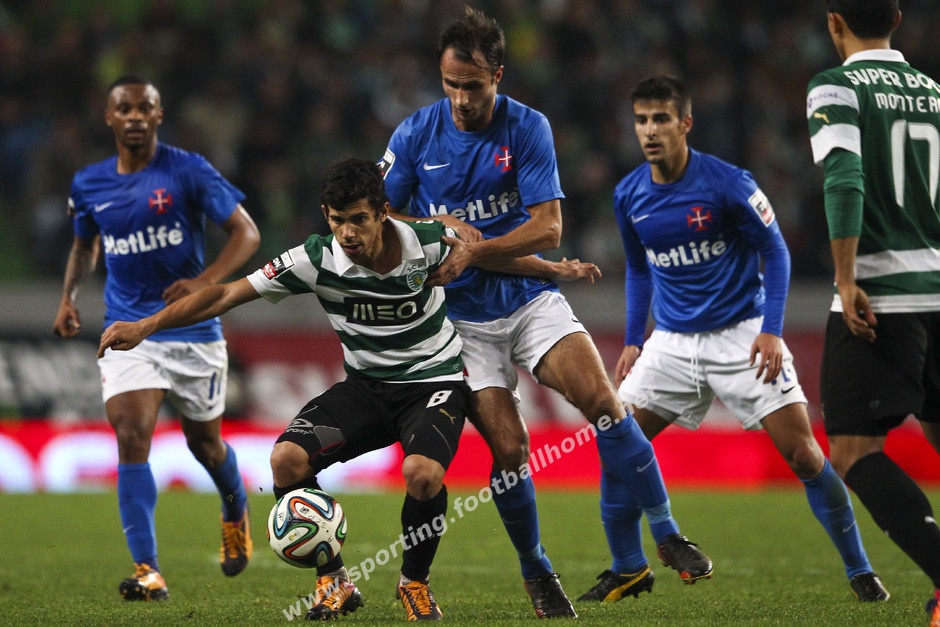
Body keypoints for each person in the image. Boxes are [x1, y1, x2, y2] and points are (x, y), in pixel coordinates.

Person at [378, 8, 712, 617]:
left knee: (604, 402)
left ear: (497, 76)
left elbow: (548, 228)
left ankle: (666, 533)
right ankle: (537, 569)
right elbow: (381, 214)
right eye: (450, 85)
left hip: (528, 300)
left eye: (473, 86)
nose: (460, 100)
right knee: (511, 450)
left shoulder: (527, 127)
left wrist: (474, 249)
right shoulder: (414, 135)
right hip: (460, 322)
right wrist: (434, 223)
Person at [99, 157, 467, 620]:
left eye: (359, 219)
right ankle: (335, 581)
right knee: (286, 460)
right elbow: (225, 294)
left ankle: (414, 582)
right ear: (325, 214)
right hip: (367, 388)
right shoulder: (313, 259)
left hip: (433, 382)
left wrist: (535, 268)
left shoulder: (429, 241)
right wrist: (146, 325)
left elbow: (491, 254)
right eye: (337, 220)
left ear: (382, 212)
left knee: (422, 474)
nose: (347, 233)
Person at [612, 73, 889, 603]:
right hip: (671, 342)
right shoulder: (628, 194)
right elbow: (638, 268)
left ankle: (860, 570)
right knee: (618, 440)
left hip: (740, 335)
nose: (649, 130)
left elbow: (776, 252)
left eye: (661, 119)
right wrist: (631, 338)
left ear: (685, 123)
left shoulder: (729, 183)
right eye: (641, 120)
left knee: (804, 455)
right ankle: (641, 558)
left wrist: (771, 331)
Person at [52, 75, 260, 601]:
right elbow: (84, 247)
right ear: (109, 117)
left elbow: (247, 233)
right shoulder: (89, 183)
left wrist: (206, 281)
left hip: (193, 329)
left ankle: (235, 507)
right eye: (125, 108)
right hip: (128, 328)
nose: (135, 117)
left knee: (205, 445)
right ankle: (148, 569)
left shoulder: (188, 169)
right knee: (130, 432)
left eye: (144, 108)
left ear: (158, 115)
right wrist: (69, 296)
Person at [807, 0, 940, 621]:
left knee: (854, 450)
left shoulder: (836, 86)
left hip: (885, 294)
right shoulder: (934, 93)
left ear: (834, 22)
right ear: (898, 19)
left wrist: (845, 276)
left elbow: (844, 177)